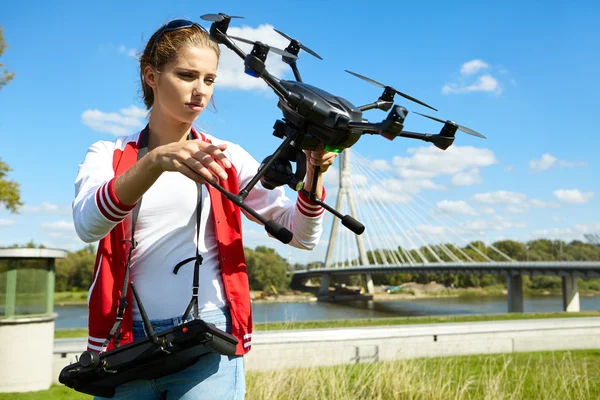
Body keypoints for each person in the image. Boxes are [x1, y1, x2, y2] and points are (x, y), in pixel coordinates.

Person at [72, 19, 336, 400]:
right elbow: (87, 224)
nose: (200, 92)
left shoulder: (226, 156)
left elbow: (301, 236)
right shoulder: (108, 154)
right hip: (124, 339)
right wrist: (156, 161)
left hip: (207, 335)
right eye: (186, 75)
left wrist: (312, 174)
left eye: (209, 80)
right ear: (151, 75)